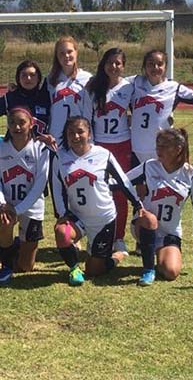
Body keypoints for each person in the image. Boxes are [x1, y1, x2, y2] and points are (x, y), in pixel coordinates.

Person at [49, 117, 144, 286]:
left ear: (89, 134)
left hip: (103, 218)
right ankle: (74, 268)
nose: (76, 136)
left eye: (80, 132)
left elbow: (123, 180)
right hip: (78, 216)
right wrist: (61, 214)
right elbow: (56, 187)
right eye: (71, 132)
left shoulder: (103, 154)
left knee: (94, 271)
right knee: (62, 232)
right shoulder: (60, 157)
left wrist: (137, 204)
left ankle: (116, 257)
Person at [127, 128, 193, 286]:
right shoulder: (149, 166)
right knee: (150, 220)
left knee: (171, 272)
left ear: (178, 149)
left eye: (164, 146)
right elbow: (123, 181)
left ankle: (158, 254)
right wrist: (137, 197)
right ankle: (148, 269)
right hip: (144, 226)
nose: (159, 150)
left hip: (169, 232)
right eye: (158, 145)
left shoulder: (191, 173)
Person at [82, 47, 134, 255]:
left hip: (123, 145)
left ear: (123, 65)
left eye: (118, 63)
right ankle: (95, 235)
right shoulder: (93, 89)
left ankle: (119, 238)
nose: (114, 66)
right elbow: (86, 119)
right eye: (110, 62)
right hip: (100, 146)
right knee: (97, 194)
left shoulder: (130, 87)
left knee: (120, 192)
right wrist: (90, 147)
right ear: (103, 64)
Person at [0, 107, 50, 283]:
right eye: (12, 123)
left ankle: (17, 244)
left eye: (21, 122)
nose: (17, 127)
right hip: (8, 204)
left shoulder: (41, 148)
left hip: (31, 206)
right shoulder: (0, 148)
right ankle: (6, 266)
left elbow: (40, 185)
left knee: (26, 267)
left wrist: (19, 209)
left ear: (31, 124)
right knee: (5, 221)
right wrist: (2, 204)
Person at [129, 49, 193, 165]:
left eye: (160, 64)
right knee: (140, 183)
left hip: (162, 147)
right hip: (137, 147)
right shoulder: (134, 82)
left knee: (162, 182)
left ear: (165, 67)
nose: (155, 68)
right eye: (150, 64)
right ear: (144, 66)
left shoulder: (173, 87)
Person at [44, 36, 92, 142]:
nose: (66, 56)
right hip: (56, 137)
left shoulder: (87, 78)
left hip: (79, 136)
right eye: (61, 53)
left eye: (70, 51)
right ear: (57, 56)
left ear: (76, 52)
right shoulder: (50, 80)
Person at [0, 59, 51, 135]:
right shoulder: (11, 97)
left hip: (41, 145)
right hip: (15, 146)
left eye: (32, 75)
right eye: (24, 75)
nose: (28, 78)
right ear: (18, 78)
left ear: (38, 78)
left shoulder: (46, 97)